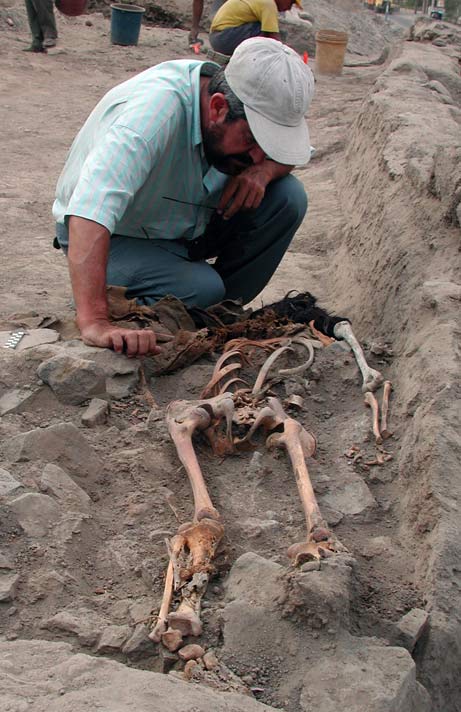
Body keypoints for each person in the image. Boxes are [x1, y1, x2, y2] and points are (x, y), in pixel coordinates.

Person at [53, 38, 315, 358]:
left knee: (288, 196)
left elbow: (292, 157)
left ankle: (214, 312)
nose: (260, 155)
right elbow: (90, 212)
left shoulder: (239, 112)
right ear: (217, 108)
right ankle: (129, 295)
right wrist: (94, 321)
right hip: (118, 235)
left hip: (186, 226)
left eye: (271, 144)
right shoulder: (151, 115)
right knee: (203, 289)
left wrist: (265, 171)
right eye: (253, 139)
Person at [209, 0, 301, 56]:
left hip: (218, 36)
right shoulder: (268, 4)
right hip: (224, 38)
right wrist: (290, 54)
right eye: (291, 3)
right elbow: (273, 38)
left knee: (269, 32)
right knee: (267, 36)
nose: (289, 8)